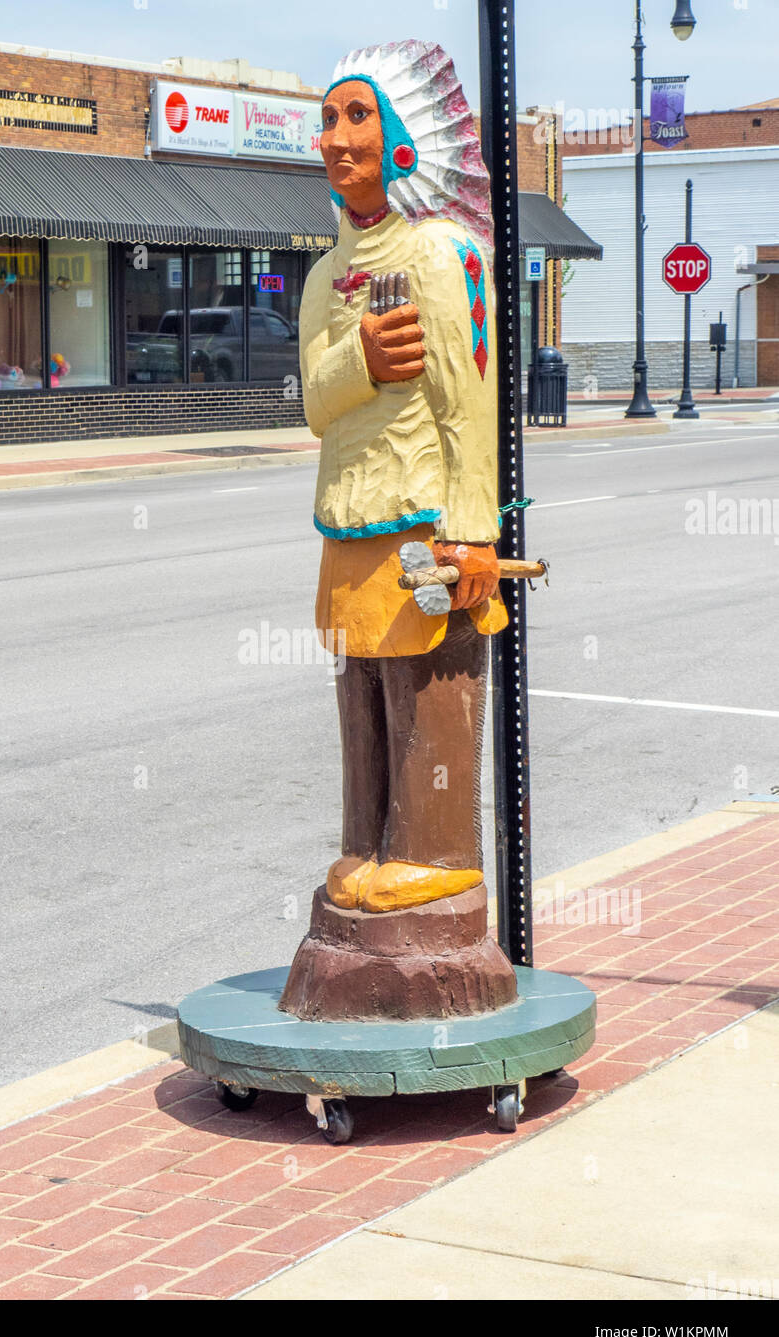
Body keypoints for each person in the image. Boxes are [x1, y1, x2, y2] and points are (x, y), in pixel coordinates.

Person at [301, 39, 505, 916]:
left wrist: (474, 527)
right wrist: (362, 360)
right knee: (359, 683)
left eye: (356, 116)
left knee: (424, 681)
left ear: (403, 141)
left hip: (424, 518)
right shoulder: (323, 275)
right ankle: (365, 839)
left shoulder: (441, 253)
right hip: (348, 517)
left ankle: (434, 847)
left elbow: (470, 399)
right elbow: (313, 399)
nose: (332, 139)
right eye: (327, 120)